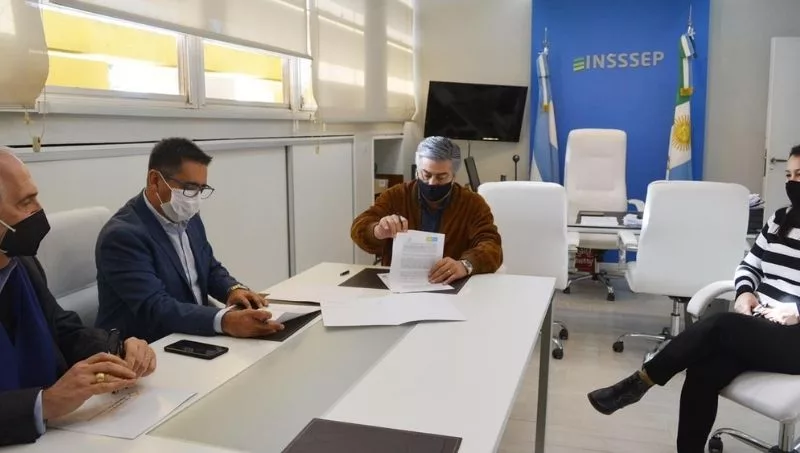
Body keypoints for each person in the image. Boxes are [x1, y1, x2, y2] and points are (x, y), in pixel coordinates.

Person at [587, 144, 800, 453]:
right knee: (702, 371)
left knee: (721, 324)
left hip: (794, 337)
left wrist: (795, 311)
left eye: (799, 175)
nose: (792, 182)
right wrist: (744, 292)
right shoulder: (780, 219)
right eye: (789, 175)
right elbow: (749, 265)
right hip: (761, 326)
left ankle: (639, 383)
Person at [0, 149, 156, 447]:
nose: (39, 211)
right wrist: (44, 403)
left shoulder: (22, 264)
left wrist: (116, 349)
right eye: (25, 202)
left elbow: (62, 329)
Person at [95, 138, 284, 343]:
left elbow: (208, 266)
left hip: (190, 334)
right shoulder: (122, 236)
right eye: (189, 188)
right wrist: (225, 321)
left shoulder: (187, 216)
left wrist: (232, 289)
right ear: (155, 180)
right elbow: (156, 306)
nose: (195, 199)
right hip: (146, 347)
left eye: (201, 189)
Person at [351, 136, 502, 282]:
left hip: (450, 284)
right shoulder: (397, 195)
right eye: (426, 175)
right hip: (401, 284)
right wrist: (377, 230)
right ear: (417, 171)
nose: (431, 183)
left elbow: (492, 245)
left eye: (441, 177)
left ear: (454, 176)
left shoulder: (472, 203)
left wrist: (465, 265)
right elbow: (359, 227)